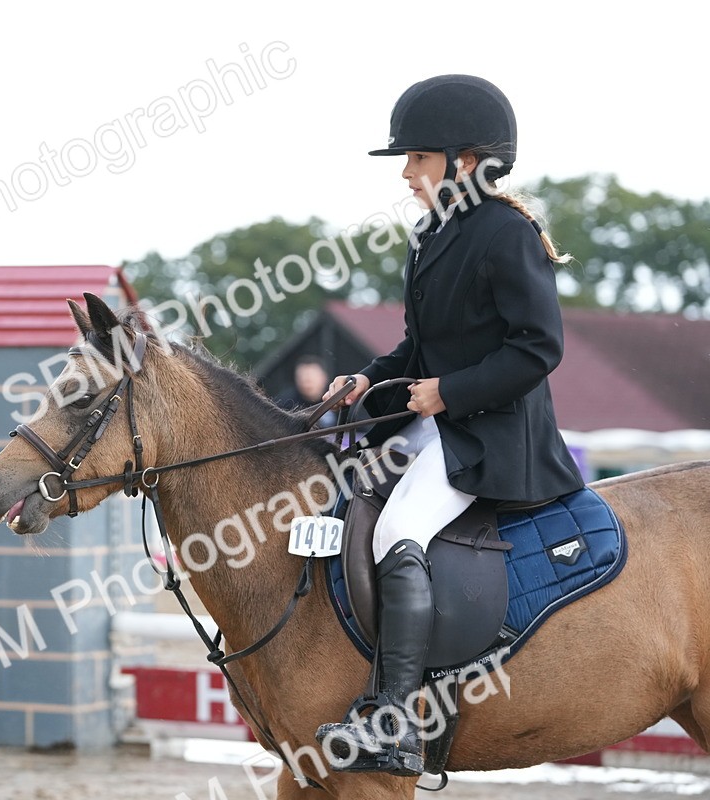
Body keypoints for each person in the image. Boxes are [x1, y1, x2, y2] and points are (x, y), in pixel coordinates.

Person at [314, 75, 585, 776]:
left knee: (399, 531)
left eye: (417, 159)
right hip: (435, 420)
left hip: (492, 435)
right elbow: (418, 347)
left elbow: (538, 348)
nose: (406, 174)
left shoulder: (508, 234)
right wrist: (368, 378)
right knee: (340, 495)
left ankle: (395, 722)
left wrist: (451, 392)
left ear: (465, 162)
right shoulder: (430, 233)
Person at [273, 355, 337, 426]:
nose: (307, 381)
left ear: (324, 378)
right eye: (302, 376)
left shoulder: (336, 398)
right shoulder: (285, 404)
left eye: (312, 376)